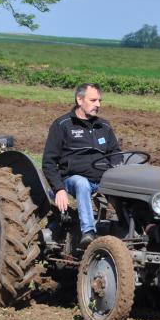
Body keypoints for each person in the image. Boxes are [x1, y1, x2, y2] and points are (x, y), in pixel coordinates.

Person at [42, 83, 121, 248]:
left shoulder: (104, 126)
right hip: (72, 179)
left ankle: (127, 230)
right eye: (93, 100)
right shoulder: (62, 125)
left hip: (101, 179)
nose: (98, 104)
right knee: (81, 183)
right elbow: (48, 162)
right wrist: (59, 189)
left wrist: (116, 173)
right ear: (79, 99)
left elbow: (116, 154)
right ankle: (88, 232)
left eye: (99, 100)